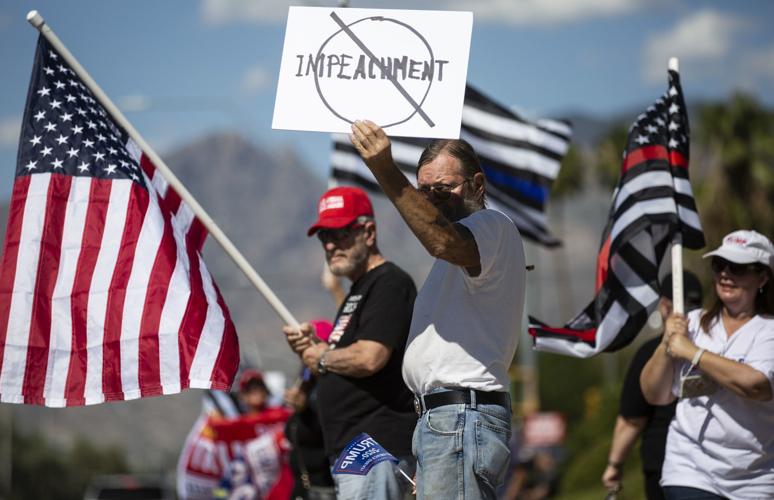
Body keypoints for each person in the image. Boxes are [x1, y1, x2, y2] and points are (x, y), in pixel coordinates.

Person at [349, 120, 526, 499]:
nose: (431, 200)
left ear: (478, 185)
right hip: (444, 421)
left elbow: (442, 242)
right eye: (424, 191)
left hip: (460, 417)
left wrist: (383, 167)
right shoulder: (456, 259)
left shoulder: (492, 226)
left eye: (444, 189)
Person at [283, 186, 418, 500]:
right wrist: (312, 349)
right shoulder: (359, 291)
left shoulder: (388, 282)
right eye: (323, 238)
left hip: (373, 447)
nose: (330, 245)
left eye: (341, 234)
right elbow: (343, 360)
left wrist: (323, 357)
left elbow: (371, 357)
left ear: (368, 232)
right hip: (354, 450)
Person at [640, 230, 774, 499]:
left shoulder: (769, 331)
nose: (725, 274)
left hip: (754, 478)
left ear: (762, 277)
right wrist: (667, 346)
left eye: (737, 267)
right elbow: (654, 394)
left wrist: (694, 353)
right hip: (690, 469)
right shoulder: (691, 324)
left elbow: (756, 385)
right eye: (719, 265)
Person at [602, 272, 703, 499]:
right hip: (713, 465)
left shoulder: (648, 353)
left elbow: (632, 420)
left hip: (665, 466)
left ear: (665, 305)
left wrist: (614, 464)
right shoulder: (717, 348)